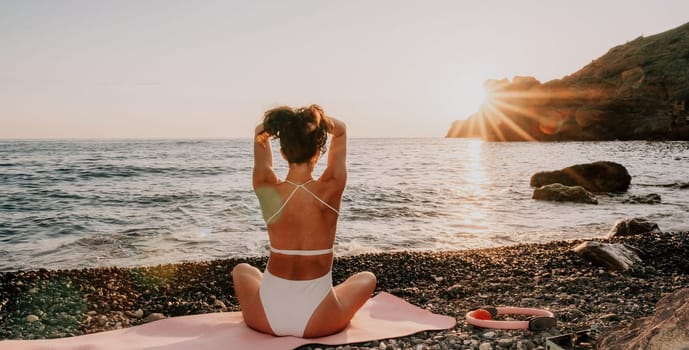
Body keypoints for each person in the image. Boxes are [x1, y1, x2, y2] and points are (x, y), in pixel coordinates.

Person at [232, 104, 377, 338]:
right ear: (318, 153)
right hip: (319, 321)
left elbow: (260, 133)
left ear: (283, 153)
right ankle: (328, 294)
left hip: (264, 318)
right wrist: (318, 122)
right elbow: (341, 130)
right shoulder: (332, 186)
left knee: (242, 270)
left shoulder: (265, 187)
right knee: (367, 278)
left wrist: (281, 125)